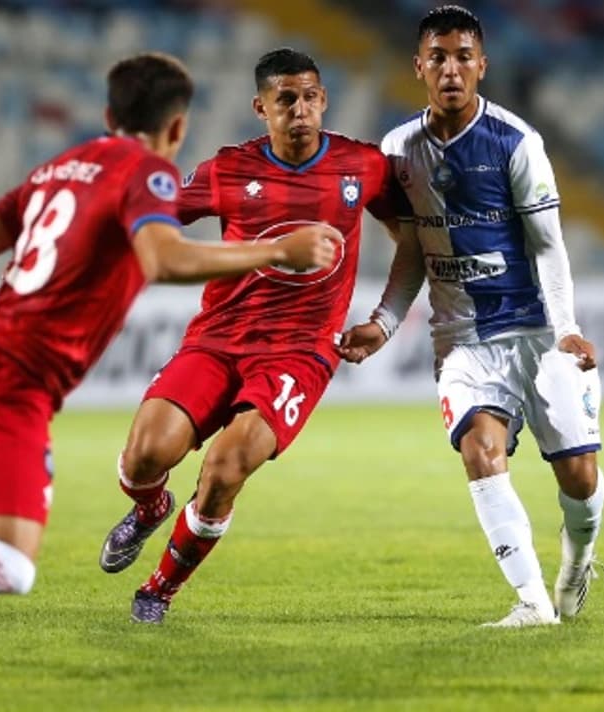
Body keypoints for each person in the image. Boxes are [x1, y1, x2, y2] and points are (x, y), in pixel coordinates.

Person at [0, 52, 341, 694]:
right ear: (178, 128)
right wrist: (278, 248)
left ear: (108, 115)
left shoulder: (62, 168)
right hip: (11, 380)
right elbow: (162, 259)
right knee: (8, 564)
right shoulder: (150, 175)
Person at [98, 47, 414, 624]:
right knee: (144, 455)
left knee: (225, 469)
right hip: (217, 339)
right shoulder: (228, 169)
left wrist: (385, 320)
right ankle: (150, 508)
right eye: (285, 99)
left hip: (299, 352)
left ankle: (158, 590)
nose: (300, 109)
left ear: (324, 100)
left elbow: (412, 241)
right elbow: (157, 217)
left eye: (311, 96)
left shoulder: (363, 166)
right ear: (260, 107)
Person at [338, 5, 604, 628]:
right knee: (480, 450)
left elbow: (548, 245)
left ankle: (578, 558)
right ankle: (533, 604)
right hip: (461, 338)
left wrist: (566, 327)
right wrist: (382, 321)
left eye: (463, 57)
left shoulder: (517, 143)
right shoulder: (398, 149)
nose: (451, 69)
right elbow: (412, 247)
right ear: (419, 67)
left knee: (579, 477)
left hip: (536, 331)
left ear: (482, 65)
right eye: (438, 57)